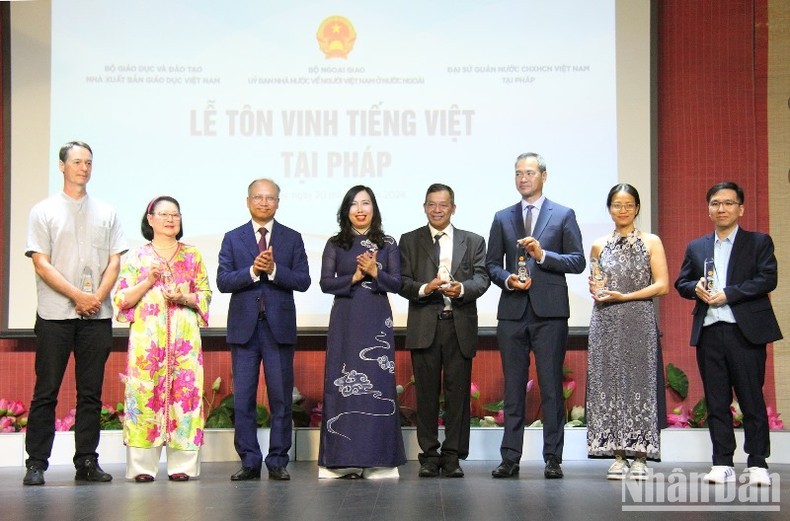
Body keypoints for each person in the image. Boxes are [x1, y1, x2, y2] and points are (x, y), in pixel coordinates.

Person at [23, 141, 127, 486]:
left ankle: (86, 460)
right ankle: (36, 462)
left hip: (96, 316)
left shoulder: (107, 212)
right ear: (62, 166)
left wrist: (95, 297)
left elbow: (114, 261)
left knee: (91, 393)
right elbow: (41, 263)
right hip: (55, 315)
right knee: (46, 391)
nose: (83, 168)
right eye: (77, 162)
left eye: (88, 162)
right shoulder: (44, 211)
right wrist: (77, 296)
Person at [675, 181, 782, 487]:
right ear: (708, 209)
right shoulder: (697, 247)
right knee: (717, 400)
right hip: (709, 330)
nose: (721, 209)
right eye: (715, 204)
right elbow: (681, 283)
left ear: (740, 208)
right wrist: (694, 287)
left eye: (728, 203)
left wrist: (729, 294)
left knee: (751, 398)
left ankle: (757, 462)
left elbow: (767, 279)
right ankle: (722, 462)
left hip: (745, 331)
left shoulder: (758, 242)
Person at [486, 152, 585, 479]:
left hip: (550, 314)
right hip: (513, 312)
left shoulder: (563, 215)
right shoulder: (502, 217)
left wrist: (543, 255)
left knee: (551, 387)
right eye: (518, 173)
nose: (523, 178)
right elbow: (491, 265)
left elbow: (577, 261)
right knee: (513, 388)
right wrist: (507, 279)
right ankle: (510, 457)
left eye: (529, 172)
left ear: (543, 175)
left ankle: (552, 458)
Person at [217, 179, 311, 481]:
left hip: (278, 329)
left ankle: (278, 460)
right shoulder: (233, 238)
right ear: (248, 201)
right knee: (243, 398)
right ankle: (249, 460)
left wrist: (272, 270)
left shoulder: (292, 238)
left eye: (270, 198)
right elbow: (223, 281)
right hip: (244, 329)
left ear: (278, 202)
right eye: (258, 197)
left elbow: (303, 280)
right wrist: (252, 271)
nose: (264, 202)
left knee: (281, 398)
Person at [113, 196, 212, 482]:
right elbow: (121, 299)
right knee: (144, 397)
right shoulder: (137, 257)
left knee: (186, 398)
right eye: (164, 214)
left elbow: (205, 295)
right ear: (150, 219)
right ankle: (142, 468)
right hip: (148, 343)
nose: (170, 220)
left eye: (176, 215)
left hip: (185, 342)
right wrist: (147, 280)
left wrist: (184, 297)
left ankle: (182, 466)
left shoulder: (192, 255)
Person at [398, 183, 490, 478]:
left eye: (443, 204)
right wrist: (427, 287)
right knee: (425, 394)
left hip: (458, 324)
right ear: (424, 207)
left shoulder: (473, 241)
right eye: (431, 204)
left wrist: (460, 288)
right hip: (425, 324)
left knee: (458, 394)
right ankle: (429, 455)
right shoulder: (410, 240)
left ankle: (453, 456)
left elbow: (483, 278)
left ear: (453, 207)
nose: (437, 210)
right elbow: (401, 281)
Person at [318, 185, 406, 479]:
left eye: (366, 203)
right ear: (346, 210)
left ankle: (379, 460)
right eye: (354, 204)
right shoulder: (335, 244)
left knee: (378, 385)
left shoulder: (388, 243)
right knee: (342, 384)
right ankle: (342, 461)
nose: (360, 209)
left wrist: (375, 272)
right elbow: (325, 283)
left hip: (376, 319)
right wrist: (354, 276)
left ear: (374, 208)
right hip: (345, 318)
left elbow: (397, 283)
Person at [585, 184, 669, 480]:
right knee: (608, 384)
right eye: (617, 205)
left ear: (637, 208)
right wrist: (595, 289)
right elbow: (596, 280)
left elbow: (662, 284)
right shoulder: (598, 244)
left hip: (639, 318)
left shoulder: (651, 241)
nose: (623, 210)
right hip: (605, 321)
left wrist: (626, 296)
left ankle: (641, 455)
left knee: (639, 384)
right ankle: (618, 454)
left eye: (629, 205)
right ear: (609, 208)